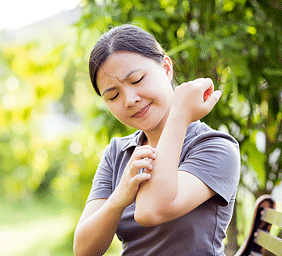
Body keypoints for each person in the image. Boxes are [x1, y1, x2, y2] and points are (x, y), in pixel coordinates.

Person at [73, 24, 240, 256]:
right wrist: (118, 198)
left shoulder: (215, 147)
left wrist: (180, 115)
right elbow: (84, 250)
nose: (129, 100)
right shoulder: (118, 153)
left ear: (166, 67)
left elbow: (150, 211)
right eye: (113, 95)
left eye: (137, 80)